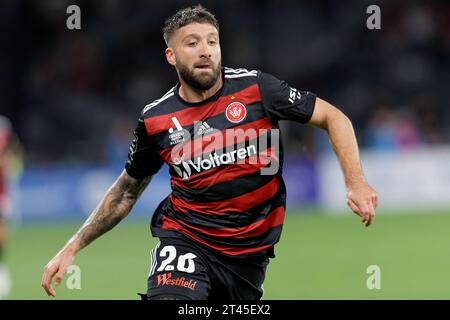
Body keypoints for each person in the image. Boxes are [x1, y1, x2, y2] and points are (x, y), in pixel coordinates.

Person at [41, 5, 378, 300]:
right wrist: (73, 245)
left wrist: (356, 182)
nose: (205, 51)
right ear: (171, 56)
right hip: (185, 238)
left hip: (249, 255)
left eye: (212, 41)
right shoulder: (156, 119)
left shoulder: (257, 89)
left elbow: (334, 117)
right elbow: (126, 190)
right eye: (192, 43)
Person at [0, 115, 23, 299]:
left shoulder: (4, 126)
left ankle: (1, 268)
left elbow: (15, 153)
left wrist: (10, 165)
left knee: (2, 232)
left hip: (1, 191)